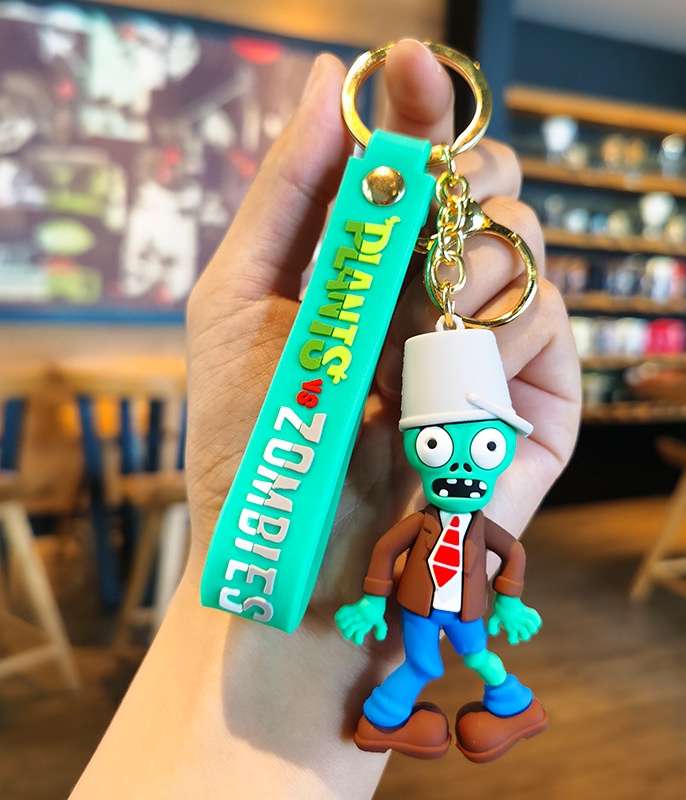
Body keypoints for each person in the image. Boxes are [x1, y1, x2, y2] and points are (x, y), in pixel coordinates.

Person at [70, 39, 581, 799]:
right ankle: (398, 712)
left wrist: (508, 598)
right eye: (439, 443)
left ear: (504, 443)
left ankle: (498, 707)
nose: (460, 466)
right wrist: (366, 603)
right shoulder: (420, 519)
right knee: (426, 663)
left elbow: (503, 553)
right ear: (417, 442)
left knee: (472, 657)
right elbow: (392, 553)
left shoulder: (467, 515)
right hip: (408, 606)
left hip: (460, 608)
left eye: (479, 447)